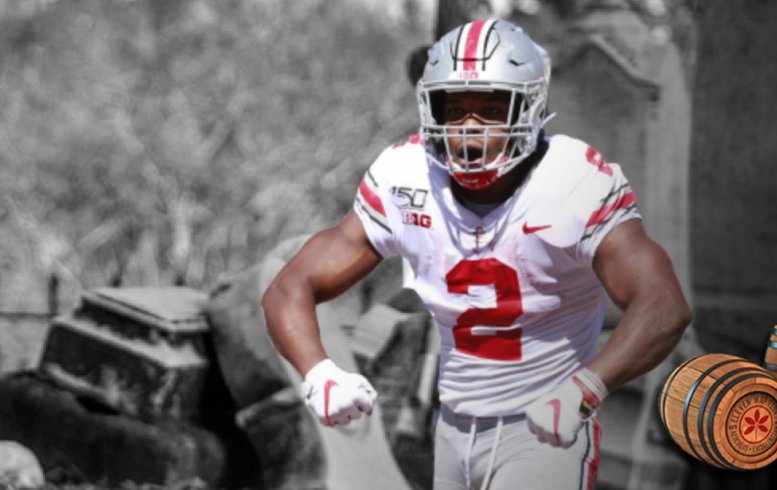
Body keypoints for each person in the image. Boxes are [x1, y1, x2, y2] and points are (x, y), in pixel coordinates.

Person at [262, 19, 691, 490]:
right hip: (453, 428)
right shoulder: (406, 174)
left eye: (490, 108)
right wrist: (319, 373)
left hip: (543, 431)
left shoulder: (572, 180)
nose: (469, 127)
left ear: (529, 108)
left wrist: (585, 388)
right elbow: (290, 284)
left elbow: (664, 303)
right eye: (454, 107)